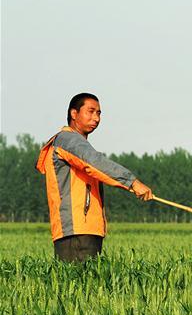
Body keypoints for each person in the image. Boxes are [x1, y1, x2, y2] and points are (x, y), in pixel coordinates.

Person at [36, 93, 154, 262]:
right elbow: (95, 162)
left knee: (87, 286)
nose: (96, 118)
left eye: (99, 113)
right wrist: (132, 182)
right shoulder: (67, 140)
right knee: (80, 286)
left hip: (85, 229)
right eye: (90, 111)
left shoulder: (76, 142)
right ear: (74, 114)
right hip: (76, 231)